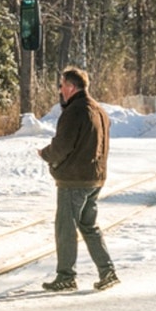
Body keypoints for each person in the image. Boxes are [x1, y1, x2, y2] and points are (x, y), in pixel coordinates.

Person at [36, 65, 120, 292]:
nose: (60, 90)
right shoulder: (98, 110)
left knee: (65, 227)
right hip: (95, 178)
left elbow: (63, 145)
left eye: (62, 85)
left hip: (75, 180)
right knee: (89, 226)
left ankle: (66, 276)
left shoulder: (75, 111)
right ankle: (107, 271)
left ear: (71, 87)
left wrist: (46, 154)